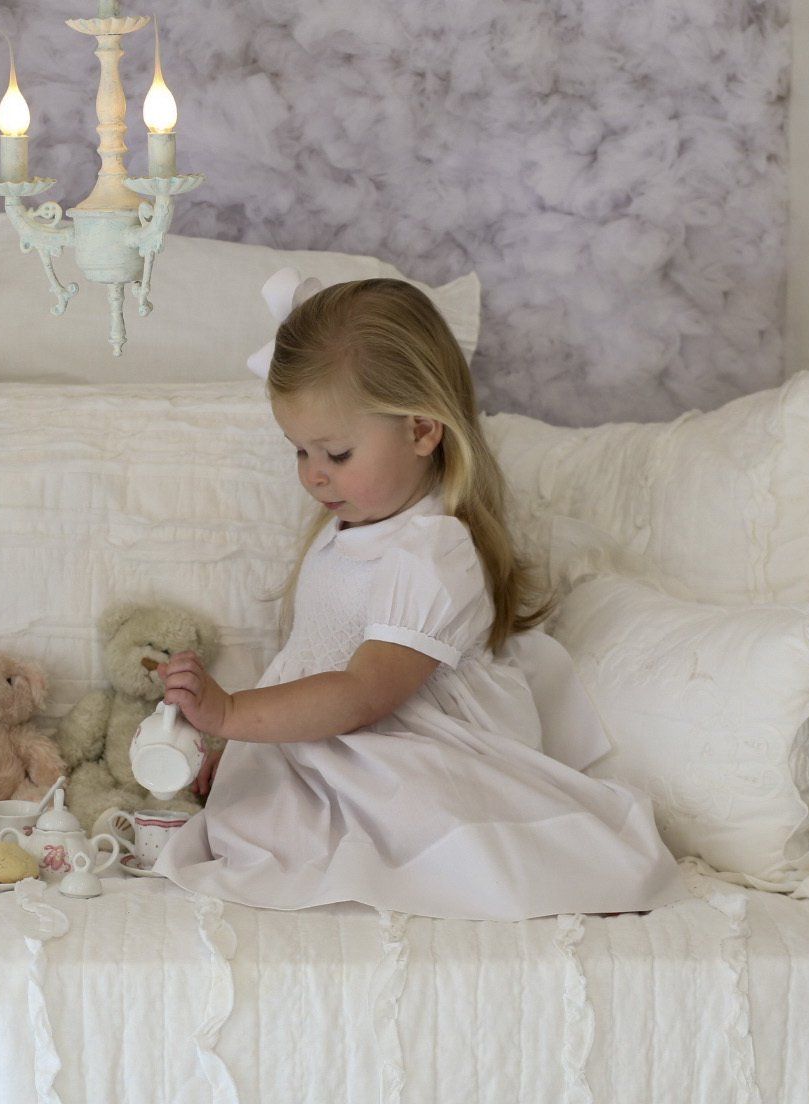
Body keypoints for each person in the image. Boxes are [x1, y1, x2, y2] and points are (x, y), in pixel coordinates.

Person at [151, 274, 690, 921]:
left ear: (422, 432)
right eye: (299, 450)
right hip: (338, 736)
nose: (313, 473)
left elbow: (362, 694)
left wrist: (233, 712)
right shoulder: (344, 526)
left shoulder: (433, 552)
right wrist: (245, 748)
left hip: (406, 744)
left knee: (413, 836)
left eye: (337, 452)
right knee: (256, 824)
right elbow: (309, 665)